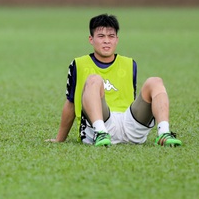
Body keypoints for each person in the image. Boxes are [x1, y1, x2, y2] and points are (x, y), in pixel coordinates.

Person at [46, 13, 182, 147]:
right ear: (91, 39)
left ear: (116, 39)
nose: (107, 40)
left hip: (130, 124)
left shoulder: (129, 63)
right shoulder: (78, 64)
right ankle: (100, 133)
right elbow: (71, 103)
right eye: (101, 36)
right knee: (94, 79)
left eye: (111, 36)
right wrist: (60, 139)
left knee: (155, 81)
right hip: (100, 125)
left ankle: (164, 133)